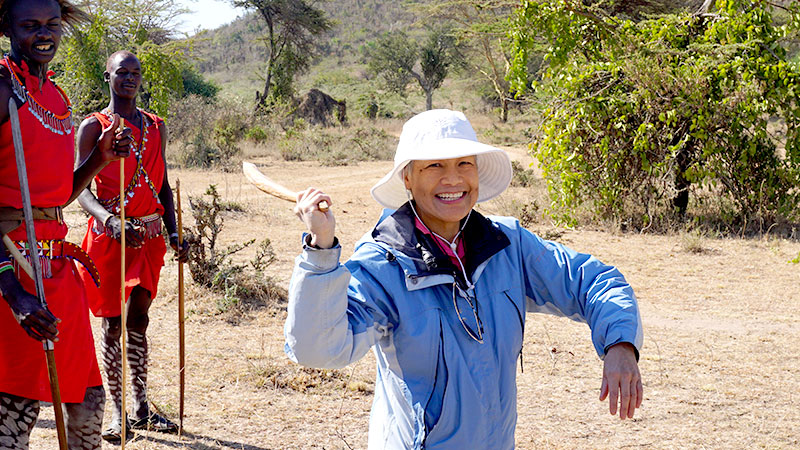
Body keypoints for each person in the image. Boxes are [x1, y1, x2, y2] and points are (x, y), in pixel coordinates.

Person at [287, 109, 644, 449]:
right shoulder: (385, 262)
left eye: (464, 164)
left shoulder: (507, 245)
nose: (453, 178)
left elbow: (592, 280)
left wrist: (621, 345)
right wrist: (321, 251)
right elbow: (319, 349)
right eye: (434, 166)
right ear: (408, 178)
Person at [0, 0, 133, 448]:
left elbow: (53, 200)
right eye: (30, 25)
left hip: (58, 267)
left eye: (52, 24)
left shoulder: (56, 97)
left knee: (88, 401)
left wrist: (99, 159)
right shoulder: (2, 87)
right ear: (6, 26)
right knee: (14, 412)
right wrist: (12, 291)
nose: (44, 34)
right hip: (11, 265)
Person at [76, 50, 188, 442]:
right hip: (109, 237)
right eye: (121, 71)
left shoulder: (155, 126)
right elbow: (79, 188)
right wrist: (109, 220)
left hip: (150, 238)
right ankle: (117, 412)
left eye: (135, 72)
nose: (129, 78)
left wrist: (174, 233)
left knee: (138, 317)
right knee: (111, 325)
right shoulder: (94, 126)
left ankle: (140, 408)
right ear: (107, 77)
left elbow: (161, 184)